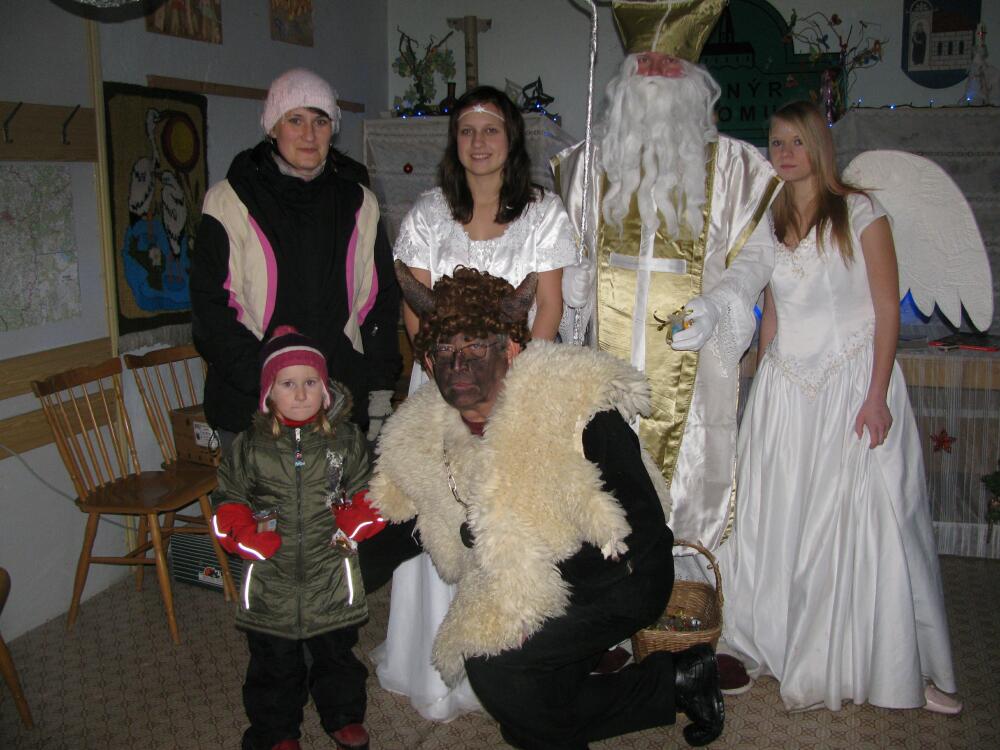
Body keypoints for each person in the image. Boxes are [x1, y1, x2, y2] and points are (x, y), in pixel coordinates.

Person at [370, 264, 726, 748]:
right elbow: (403, 520)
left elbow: (640, 524)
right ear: (428, 365)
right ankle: (679, 680)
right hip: (529, 575)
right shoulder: (425, 429)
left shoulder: (574, 400)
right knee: (527, 712)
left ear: (511, 350)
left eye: (476, 348)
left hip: (622, 574)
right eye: (444, 352)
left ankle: (597, 683)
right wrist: (330, 570)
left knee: (497, 670)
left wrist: (544, 602)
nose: (459, 366)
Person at [716, 101, 961, 714]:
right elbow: (772, 314)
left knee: (872, 524)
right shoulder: (770, 222)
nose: (785, 153)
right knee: (782, 516)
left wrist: (876, 395)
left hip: (852, 385)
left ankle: (897, 664)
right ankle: (780, 641)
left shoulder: (861, 212)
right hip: (786, 389)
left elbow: (886, 309)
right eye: (776, 143)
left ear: (819, 147)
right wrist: (757, 388)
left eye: (797, 141)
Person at [373, 85, 578, 721]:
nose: (479, 142)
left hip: (515, 387)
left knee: (510, 518)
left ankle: (510, 663)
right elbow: (415, 304)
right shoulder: (429, 213)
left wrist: (509, 384)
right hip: (442, 385)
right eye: (467, 131)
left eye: (491, 130)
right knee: (443, 513)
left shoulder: (543, 212)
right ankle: (438, 666)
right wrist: (446, 373)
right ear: (454, 142)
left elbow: (548, 305)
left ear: (511, 140)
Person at [556, 0, 780, 553]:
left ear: (694, 78)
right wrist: (570, 289)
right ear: (626, 75)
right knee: (603, 482)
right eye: (645, 61)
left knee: (686, 495)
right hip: (604, 360)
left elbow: (757, 255)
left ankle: (685, 593)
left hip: (694, 364)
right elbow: (563, 247)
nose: (655, 72)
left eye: (669, 62)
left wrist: (722, 302)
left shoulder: (735, 167)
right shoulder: (586, 164)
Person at [191, 67, 401, 454]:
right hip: (254, 409)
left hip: (338, 405)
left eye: (320, 121)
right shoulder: (229, 200)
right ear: (272, 127)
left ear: (333, 129)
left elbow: (379, 303)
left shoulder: (359, 203)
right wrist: (274, 384)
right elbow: (211, 309)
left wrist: (380, 389)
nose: (309, 134)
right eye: (295, 120)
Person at [211, 325, 388, 750]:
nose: (301, 393)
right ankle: (276, 730)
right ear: (268, 393)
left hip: (330, 570)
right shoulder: (249, 447)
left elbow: (370, 490)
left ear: (325, 391)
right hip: (272, 575)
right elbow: (228, 499)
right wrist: (243, 534)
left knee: (337, 654)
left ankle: (343, 715)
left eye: (310, 382)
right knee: (272, 663)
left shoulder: (346, 441)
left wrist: (361, 517)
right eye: (288, 384)